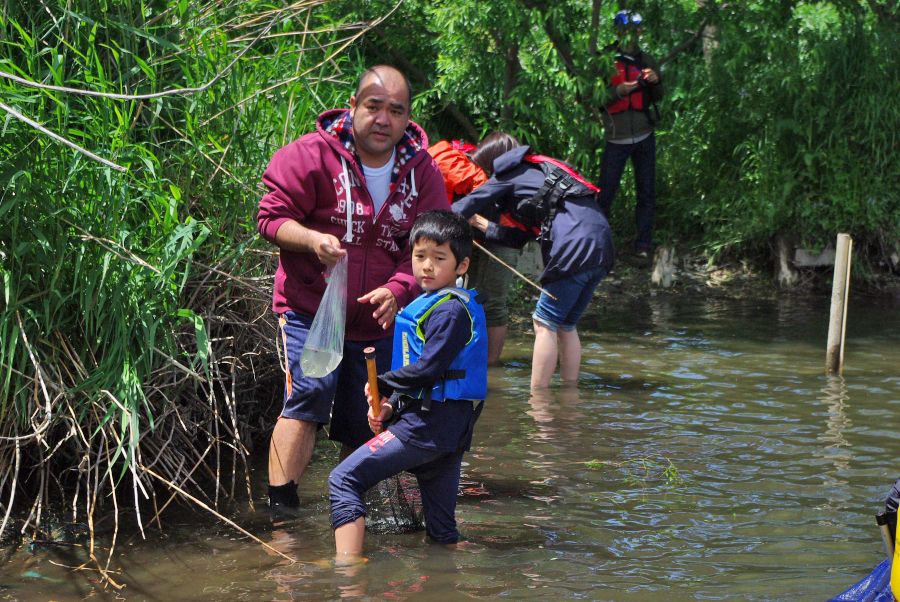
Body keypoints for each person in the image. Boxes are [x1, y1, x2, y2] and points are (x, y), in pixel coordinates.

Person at [256, 65, 449, 511]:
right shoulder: (308, 155)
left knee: (367, 419)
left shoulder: (422, 172)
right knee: (308, 395)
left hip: (379, 319)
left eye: (395, 111)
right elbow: (269, 218)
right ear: (353, 108)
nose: (383, 120)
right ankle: (282, 515)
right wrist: (312, 240)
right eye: (374, 107)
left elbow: (432, 246)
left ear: (407, 118)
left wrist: (400, 289)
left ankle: (346, 513)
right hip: (311, 306)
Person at [329, 209, 487, 561]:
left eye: (439, 258)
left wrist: (383, 383)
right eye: (419, 257)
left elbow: (429, 369)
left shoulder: (449, 312)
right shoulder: (432, 305)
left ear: (461, 266)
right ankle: (447, 583)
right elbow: (424, 377)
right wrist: (390, 406)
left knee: (343, 480)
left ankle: (346, 571)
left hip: (427, 429)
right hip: (446, 434)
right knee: (442, 534)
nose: (427, 266)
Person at [452, 141, 614, 389]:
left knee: (544, 322)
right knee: (566, 324)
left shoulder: (510, 174)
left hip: (575, 246)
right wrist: (480, 224)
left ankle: (538, 400)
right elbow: (517, 238)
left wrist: (427, 220)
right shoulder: (539, 173)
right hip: (603, 245)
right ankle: (570, 394)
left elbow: (464, 205)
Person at [429, 135, 521, 365]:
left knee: (491, 302)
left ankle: (489, 367)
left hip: (503, 237)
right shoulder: (457, 164)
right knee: (469, 298)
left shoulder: (461, 164)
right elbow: (479, 189)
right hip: (474, 237)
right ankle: (472, 358)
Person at [597, 9, 663, 261]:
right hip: (616, 137)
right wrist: (618, 91)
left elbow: (659, 96)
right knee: (605, 194)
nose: (631, 35)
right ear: (617, 32)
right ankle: (599, 245)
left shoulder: (646, 59)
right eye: (625, 30)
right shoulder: (605, 59)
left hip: (645, 136)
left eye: (635, 30)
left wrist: (655, 81)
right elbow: (593, 98)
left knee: (646, 192)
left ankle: (643, 244)